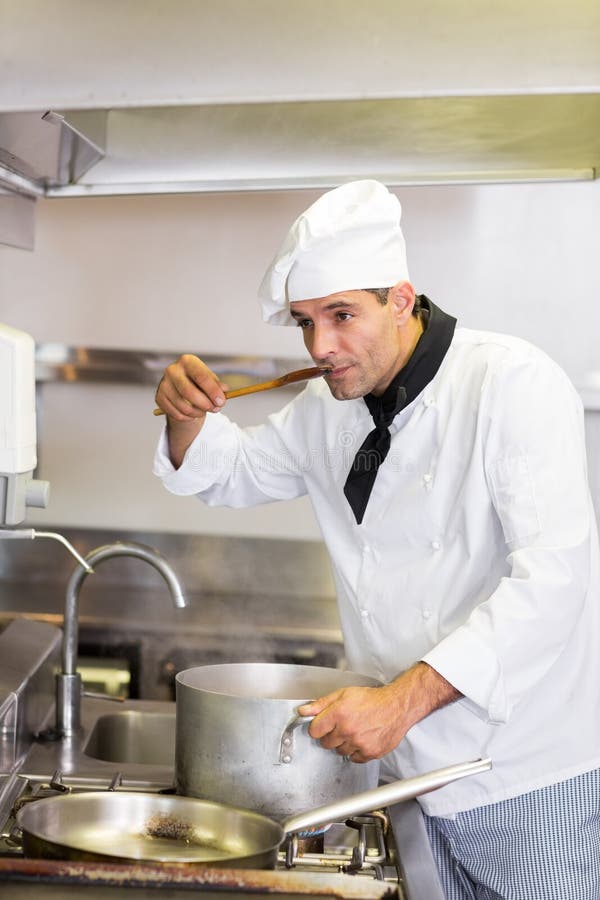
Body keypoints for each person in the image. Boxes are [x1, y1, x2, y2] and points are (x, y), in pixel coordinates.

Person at [153, 180, 600, 899]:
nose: (321, 347)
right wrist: (183, 414)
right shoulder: (326, 407)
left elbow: (552, 582)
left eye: (341, 315)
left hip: (523, 775)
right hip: (400, 781)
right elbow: (228, 469)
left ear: (400, 298)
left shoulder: (511, 384)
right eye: (304, 323)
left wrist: (399, 701)